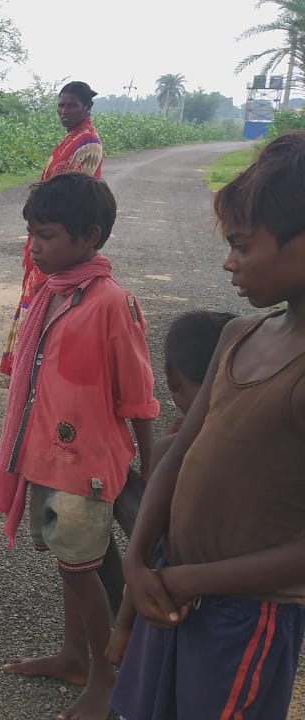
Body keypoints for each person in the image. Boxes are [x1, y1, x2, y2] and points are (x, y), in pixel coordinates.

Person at [112, 131, 305, 720]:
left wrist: (189, 578)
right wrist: (138, 562)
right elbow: (175, 457)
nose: (229, 261)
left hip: (245, 616)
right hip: (169, 591)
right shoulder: (238, 336)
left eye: (243, 245)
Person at [0, 172, 158, 720]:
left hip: (85, 467)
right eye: (32, 234)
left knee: (83, 575)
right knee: (68, 566)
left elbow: (139, 397)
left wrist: (152, 469)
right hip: (46, 458)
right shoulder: (51, 294)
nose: (35, 246)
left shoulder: (111, 303)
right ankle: (72, 657)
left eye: (48, 235)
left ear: (90, 237)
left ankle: (104, 682)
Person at [105, 309, 235, 665]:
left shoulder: (169, 453)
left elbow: (145, 550)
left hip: (164, 605)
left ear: (172, 378)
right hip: (239, 619)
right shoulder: (261, 446)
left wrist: (122, 629)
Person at [0, 80, 105, 377]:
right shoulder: (70, 139)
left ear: (86, 107)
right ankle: (26, 361)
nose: (64, 111)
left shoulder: (88, 144)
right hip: (48, 227)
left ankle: (37, 364)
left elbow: (72, 193)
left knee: (49, 293)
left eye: (71, 105)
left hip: (65, 232)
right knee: (37, 290)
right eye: (60, 105)